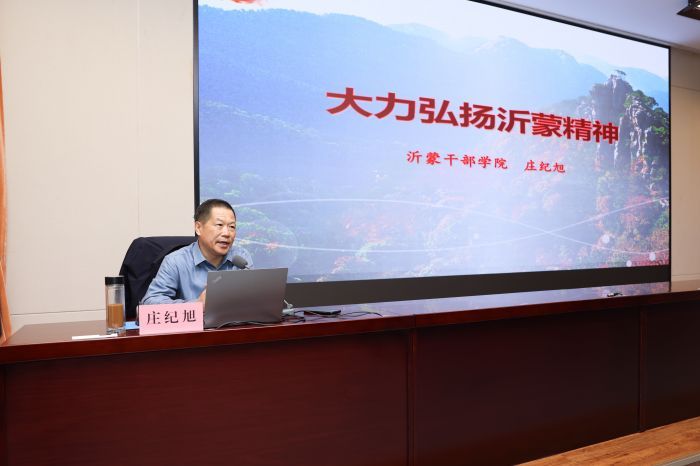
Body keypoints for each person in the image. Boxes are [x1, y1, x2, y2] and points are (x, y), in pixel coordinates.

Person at [141, 198, 252, 304]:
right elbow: (150, 301)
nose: (227, 233)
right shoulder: (176, 261)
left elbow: (251, 298)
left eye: (232, 227)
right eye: (219, 225)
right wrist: (197, 304)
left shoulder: (241, 258)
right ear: (198, 228)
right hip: (194, 318)